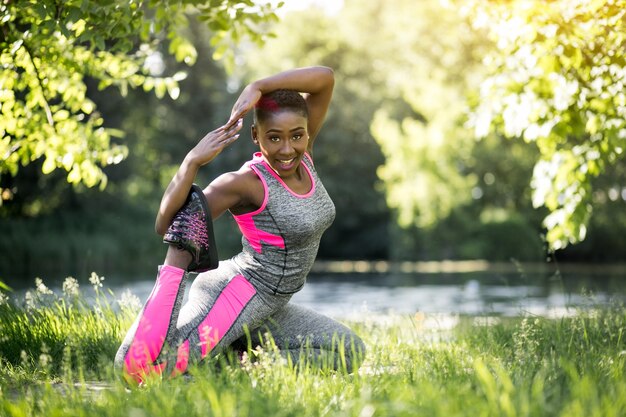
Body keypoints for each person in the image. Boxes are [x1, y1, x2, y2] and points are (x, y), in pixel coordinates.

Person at [114, 66, 365, 383]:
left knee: (349, 351)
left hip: (272, 305)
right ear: (256, 136)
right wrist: (192, 161)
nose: (287, 149)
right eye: (273, 138)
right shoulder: (245, 183)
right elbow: (167, 225)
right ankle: (214, 365)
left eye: (297, 136)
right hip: (238, 295)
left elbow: (325, 78)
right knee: (143, 372)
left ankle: (230, 362)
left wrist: (259, 86)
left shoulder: (304, 156)